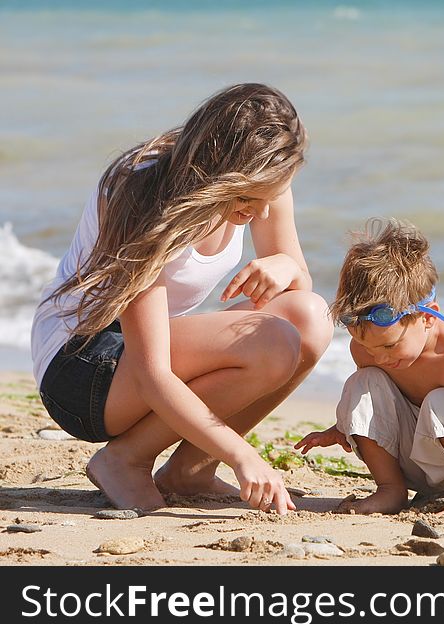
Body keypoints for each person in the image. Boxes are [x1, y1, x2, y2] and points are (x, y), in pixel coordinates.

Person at [31, 83, 333, 515]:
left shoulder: (267, 179)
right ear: (214, 170)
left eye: (268, 196)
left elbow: (298, 301)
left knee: (311, 317)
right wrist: (242, 455)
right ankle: (124, 460)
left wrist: (288, 266)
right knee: (270, 341)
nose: (261, 212)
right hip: (79, 363)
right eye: (248, 197)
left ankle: (189, 472)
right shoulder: (145, 193)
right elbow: (153, 372)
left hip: (138, 356)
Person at [294, 219, 444, 514]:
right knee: (362, 382)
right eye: (368, 347)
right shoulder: (368, 351)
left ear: (428, 318)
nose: (380, 358)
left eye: (389, 346)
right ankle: (391, 489)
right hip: (413, 459)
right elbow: (381, 407)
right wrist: (340, 429)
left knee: (441, 401)